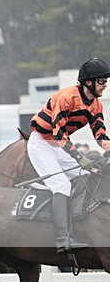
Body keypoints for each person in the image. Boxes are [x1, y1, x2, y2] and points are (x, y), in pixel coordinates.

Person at [28, 57, 110, 254]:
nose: (105, 85)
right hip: (42, 143)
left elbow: (100, 134)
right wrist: (80, 157)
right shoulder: (66, 98)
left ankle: (79, 225)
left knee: (86, 176)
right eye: (102, 81)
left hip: (58, 146)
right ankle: (62, 239)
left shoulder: (96, 105)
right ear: (88, 82)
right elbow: (59, 134)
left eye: (106, 81)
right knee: (61, 184)